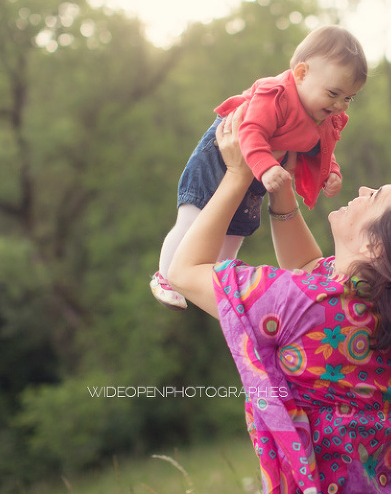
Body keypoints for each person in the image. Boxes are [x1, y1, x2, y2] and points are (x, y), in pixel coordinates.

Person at [168, 105, 391, 493]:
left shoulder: (301, 306)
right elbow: (309, 266)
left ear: (377, 247)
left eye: (376, 198)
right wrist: (281, 191)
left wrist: (236, 175)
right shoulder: (383, 313)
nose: (364, 191)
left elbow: (183, 272)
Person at [152, 25, 368, 310]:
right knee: (194, 218)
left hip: (259, 171)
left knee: (234, 232)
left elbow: (322, 148)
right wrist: (266, 168)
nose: (340, 105)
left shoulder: (320, 115)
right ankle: (166, 276)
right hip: (221, 156)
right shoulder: (276, 94)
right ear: (302, 74)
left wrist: (331, 172)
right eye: (334, 93)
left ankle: (208, 279)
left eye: (348, 98)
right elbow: (250, 131)